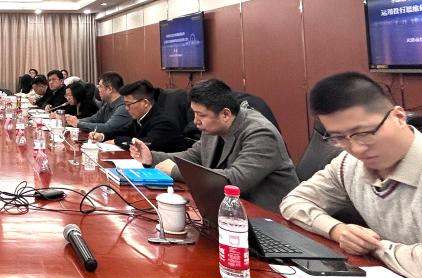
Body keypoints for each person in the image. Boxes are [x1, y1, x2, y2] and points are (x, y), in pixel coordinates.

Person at [280, 72, 422, 278]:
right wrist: (337, 230)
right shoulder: (349, 164)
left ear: (399, 117)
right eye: (339, 138)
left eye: (364, 133)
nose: (356, 149)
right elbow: (294, 201)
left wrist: (373, 247)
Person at [128, 79, 298, 212]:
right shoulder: (213, 128)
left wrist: (175, 171)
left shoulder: (261, 133)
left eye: (201, 115)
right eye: (194, 114)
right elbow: (193, 156)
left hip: (269, 220)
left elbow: (234, 180)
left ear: (225, 114)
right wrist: (152, 157)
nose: (195, 121)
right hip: (229, 210)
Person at [88, 79, 188, 152]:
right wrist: (102, 136)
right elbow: (124, 131)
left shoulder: (163, 122)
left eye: (129, 104)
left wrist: (116, 141)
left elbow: (143, 145)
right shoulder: (141, 117)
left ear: (145, 103)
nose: (126, 108)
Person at [66, 72, 133, 138]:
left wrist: (79, 124)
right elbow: (94, 119)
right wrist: (73, 120)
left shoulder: (124, 107)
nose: (98, 89)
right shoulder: (108, 103)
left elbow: (107, 128)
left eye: (100, 86)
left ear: (109, 89)